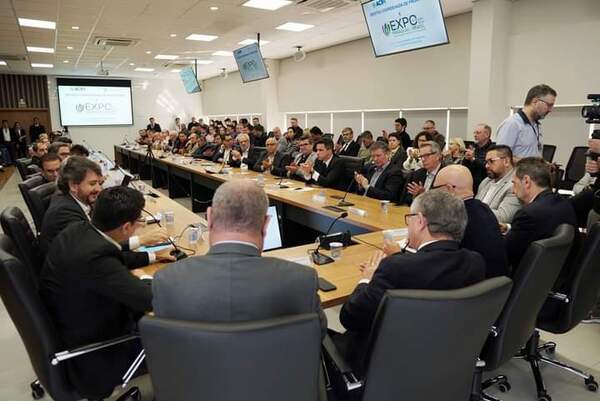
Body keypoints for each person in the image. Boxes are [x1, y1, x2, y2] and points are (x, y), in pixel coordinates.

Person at [40, 186, 173, 400]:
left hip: (72, 324)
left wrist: (152, 258)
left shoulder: (79, 231)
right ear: (127, 227)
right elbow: (148, 300)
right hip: (97, 350)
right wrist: (159, 279)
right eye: (139, 221)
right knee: (176, 332)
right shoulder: (96, 258)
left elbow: (114, 257)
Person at [151, 180, 327, 336]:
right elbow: (316, 336)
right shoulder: (303, 279)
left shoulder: (166, 280)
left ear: (209, 217)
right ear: (266, 224)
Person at [336, 190, 485, 368]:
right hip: (444, 357)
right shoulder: (475, 262)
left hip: (386, 361)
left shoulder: (396, 267)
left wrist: (366, 279)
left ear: (421, 221)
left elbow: (350, 317)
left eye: (410, 219)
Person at [40, 156, 168, 255]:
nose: (99, 189)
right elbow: (97, 251)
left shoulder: (71, 200)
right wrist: (143, 243)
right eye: (92, 184)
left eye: (100, 183)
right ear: (73, 185)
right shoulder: (65, 212)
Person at [432, 165, 509, 278]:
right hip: (495, 287)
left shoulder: (455, 217)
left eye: (436, 189)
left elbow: (437, 258)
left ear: (449, 189)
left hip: (472, 289)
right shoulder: (483, 209)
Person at [503, 157, 577, 272]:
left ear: (526, 181)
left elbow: (504, 256)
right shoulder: (564, 204)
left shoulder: (528, 214)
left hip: (526, 279)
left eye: (514, 183)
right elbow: (539, 230)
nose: (513, 190)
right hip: (555, 275)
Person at [496, 84, 557, 159]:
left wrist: (542, 164)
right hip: (519, 171)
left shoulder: (536, 125)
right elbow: (501, 156)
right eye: (549, 105)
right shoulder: (512, 124)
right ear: (535, 101)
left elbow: (530, 154)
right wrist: (529, 165)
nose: (550, 110)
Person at [475, 145, 521, 223]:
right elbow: (476, 204)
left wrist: (473, 212)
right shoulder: (486, 181)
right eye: (486, 162)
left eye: (491, 161)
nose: (486, 166)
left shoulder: (514, 184)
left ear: (506, 161)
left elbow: (503, 217)